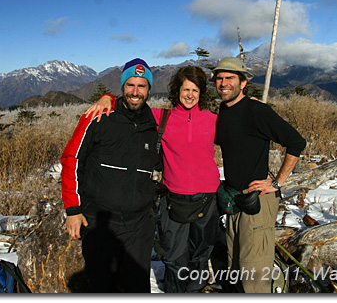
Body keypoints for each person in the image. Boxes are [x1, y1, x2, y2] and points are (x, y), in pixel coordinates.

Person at [85, 66, 220, 293]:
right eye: (185, 89)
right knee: (174, 258)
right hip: (173, 199)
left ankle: (196, 291)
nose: (189, 95)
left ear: (201, 93)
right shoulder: (161, 117)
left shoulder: (213, 120)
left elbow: (240, 129)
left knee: (200, 255)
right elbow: (131, 104)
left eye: (195, 90)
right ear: (177, 91)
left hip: (208, 199)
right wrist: (106, 98)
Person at [60, 58, 158, 293]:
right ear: (122, 87)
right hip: (100, 221)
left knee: (137, 287)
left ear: (149, 89)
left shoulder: (155, 122)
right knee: (102, 286)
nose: (135, 92)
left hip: (139, 226)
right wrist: (73, 210)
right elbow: (71, 161)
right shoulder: (98, 116)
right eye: (130, 85)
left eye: (142, 86)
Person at [212, 56, 306, 293]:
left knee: (254, 274)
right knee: (236, 267)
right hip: (234, 201)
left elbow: (296, 142)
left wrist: (277, 182)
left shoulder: (256, 111)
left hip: (257, 200)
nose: (224, 83)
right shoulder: (223, 111)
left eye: (230, 78)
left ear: (243, 83)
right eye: (219, 78)